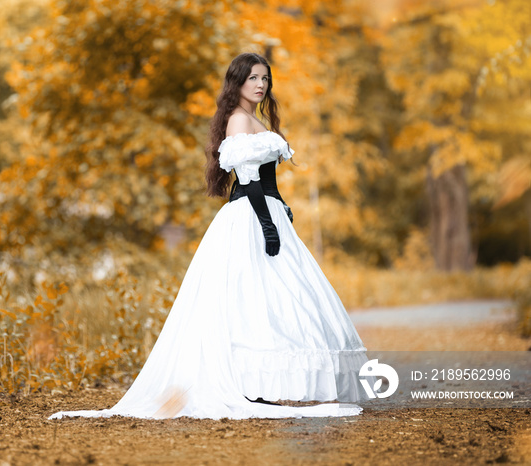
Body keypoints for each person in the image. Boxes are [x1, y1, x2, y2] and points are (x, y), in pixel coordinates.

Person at [50, 52, 367, 421]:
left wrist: (281, 211)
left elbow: (265, 181)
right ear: (237, 83)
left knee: (272, 299)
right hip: (251, 217)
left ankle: (259, 387)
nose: (261, 84)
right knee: (249, 296)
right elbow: (247, 180)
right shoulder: (237, 121)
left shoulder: (253, 119)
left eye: (264, 78)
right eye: (252, 78)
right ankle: (249, 386)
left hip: (265, 212)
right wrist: (267, 223)